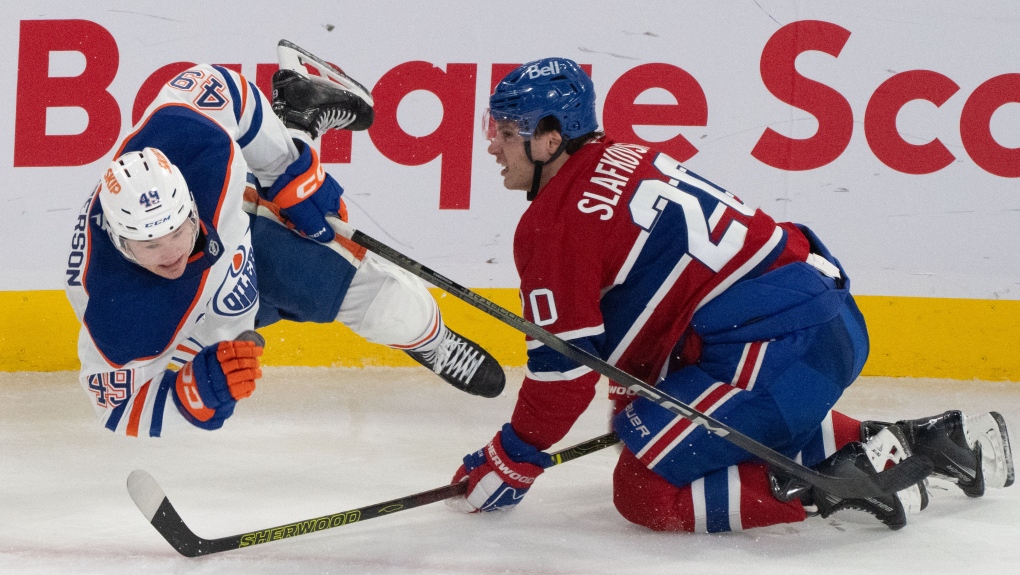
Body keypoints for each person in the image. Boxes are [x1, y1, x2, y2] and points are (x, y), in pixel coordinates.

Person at [446, 57, 1014, 531]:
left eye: (505, 131)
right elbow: (652, 303)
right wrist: (636, 407)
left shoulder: (557, 222)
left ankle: (839, 488)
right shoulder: (625, 157)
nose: (494, 145)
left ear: (549, 139)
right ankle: (914, 441)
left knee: (643, 490)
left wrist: (513, 458)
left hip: (773, 349)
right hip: (819, 324)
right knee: (649, 433)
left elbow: (566, 371)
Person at [64, 41, 505, 438]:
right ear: (122, 243)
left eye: (179, 230)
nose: (173, 252)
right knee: (214, 362)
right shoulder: (113, 305)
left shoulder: (193, 146)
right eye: (150, 245)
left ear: (191, 204)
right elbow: (115, 404)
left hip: (251, 244)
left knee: (390, 308)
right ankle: (298, 108)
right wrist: (187, 399)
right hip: (197, 319)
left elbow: (218, 87)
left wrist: (286, 172)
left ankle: (430, 339)